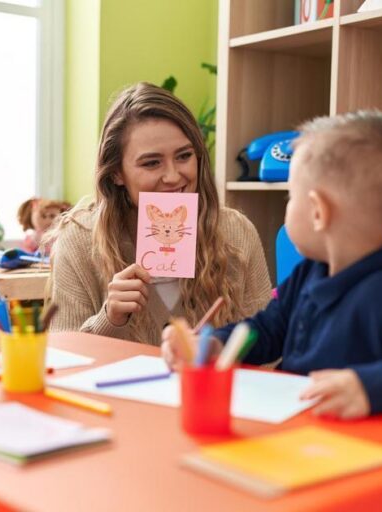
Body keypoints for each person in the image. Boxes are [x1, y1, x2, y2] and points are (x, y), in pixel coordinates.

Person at [162, 110, 382, 419]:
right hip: (293, 428)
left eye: (291, 197)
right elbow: (267, 329)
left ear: (318, 212)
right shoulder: (311, 271)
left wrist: (368, 388)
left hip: (345, 453)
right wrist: (218, 342)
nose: (288, 208)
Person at [46, 82, 273, 345]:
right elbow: (65, 361)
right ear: (117, 173)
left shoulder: (236, 233)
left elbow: (267, 351)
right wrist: (110, 319)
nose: (174, 176)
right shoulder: (80, 240)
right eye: (152, 163)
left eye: (184, 156)